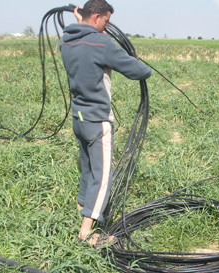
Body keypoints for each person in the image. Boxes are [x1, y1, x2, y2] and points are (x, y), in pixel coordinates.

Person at [59, 0, 152, 247]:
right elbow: (135, 71)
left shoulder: (67, 41)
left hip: (78, 118)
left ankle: (82, 207)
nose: (108, 26)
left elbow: (82, 33)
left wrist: (81, 21)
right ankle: (87, 232)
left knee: (88, 169)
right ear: (97, 16)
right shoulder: (101, 43)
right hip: (98, 120)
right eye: (106, 21)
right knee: (102, 177)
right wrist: (147, 70)